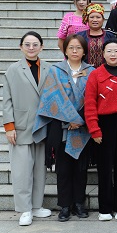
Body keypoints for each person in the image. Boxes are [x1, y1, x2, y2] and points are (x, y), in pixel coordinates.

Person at [33, 34, 94, 221]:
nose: (75, 51)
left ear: (84, 51)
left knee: (81, 168)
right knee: (64, 169)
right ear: (65, 50)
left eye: (78, 48)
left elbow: (93, 99)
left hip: (83, 126)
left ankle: (79, 203)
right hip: (61, 127)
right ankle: (65, 206)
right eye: (71, 48)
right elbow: (51, 98)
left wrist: (80, 120)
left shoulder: (91, 71)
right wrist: (69, 120)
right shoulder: (56, 71)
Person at [3, 31, 52, 226]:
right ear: (21, 47)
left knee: (40, 169)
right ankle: (24, 209)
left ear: (41, 47)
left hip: (42, 126)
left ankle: (36, 205)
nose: (31, 48)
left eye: (35, 44)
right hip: (21, 126)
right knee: (22, 170)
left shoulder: (49, 68)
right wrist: (9, 126)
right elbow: (7, 100)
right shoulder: (13, 70)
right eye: (27, 44)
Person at [84, 39, 117, 221]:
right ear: (103, 54)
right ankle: (105, 208)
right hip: (104, 123)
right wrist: (94, 129)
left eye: (116, 51)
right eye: (109, 51)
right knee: (104, 168)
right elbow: (90, 103)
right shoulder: (95, 75)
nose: (113, 54)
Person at [78, 3, 115, 68]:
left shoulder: (110, 36)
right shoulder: (80, 36)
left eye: (98, 17)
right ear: (87, 19)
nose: (95, 20)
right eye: (92, 17)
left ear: (103, 19)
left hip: (106, 71)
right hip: (84, 71)